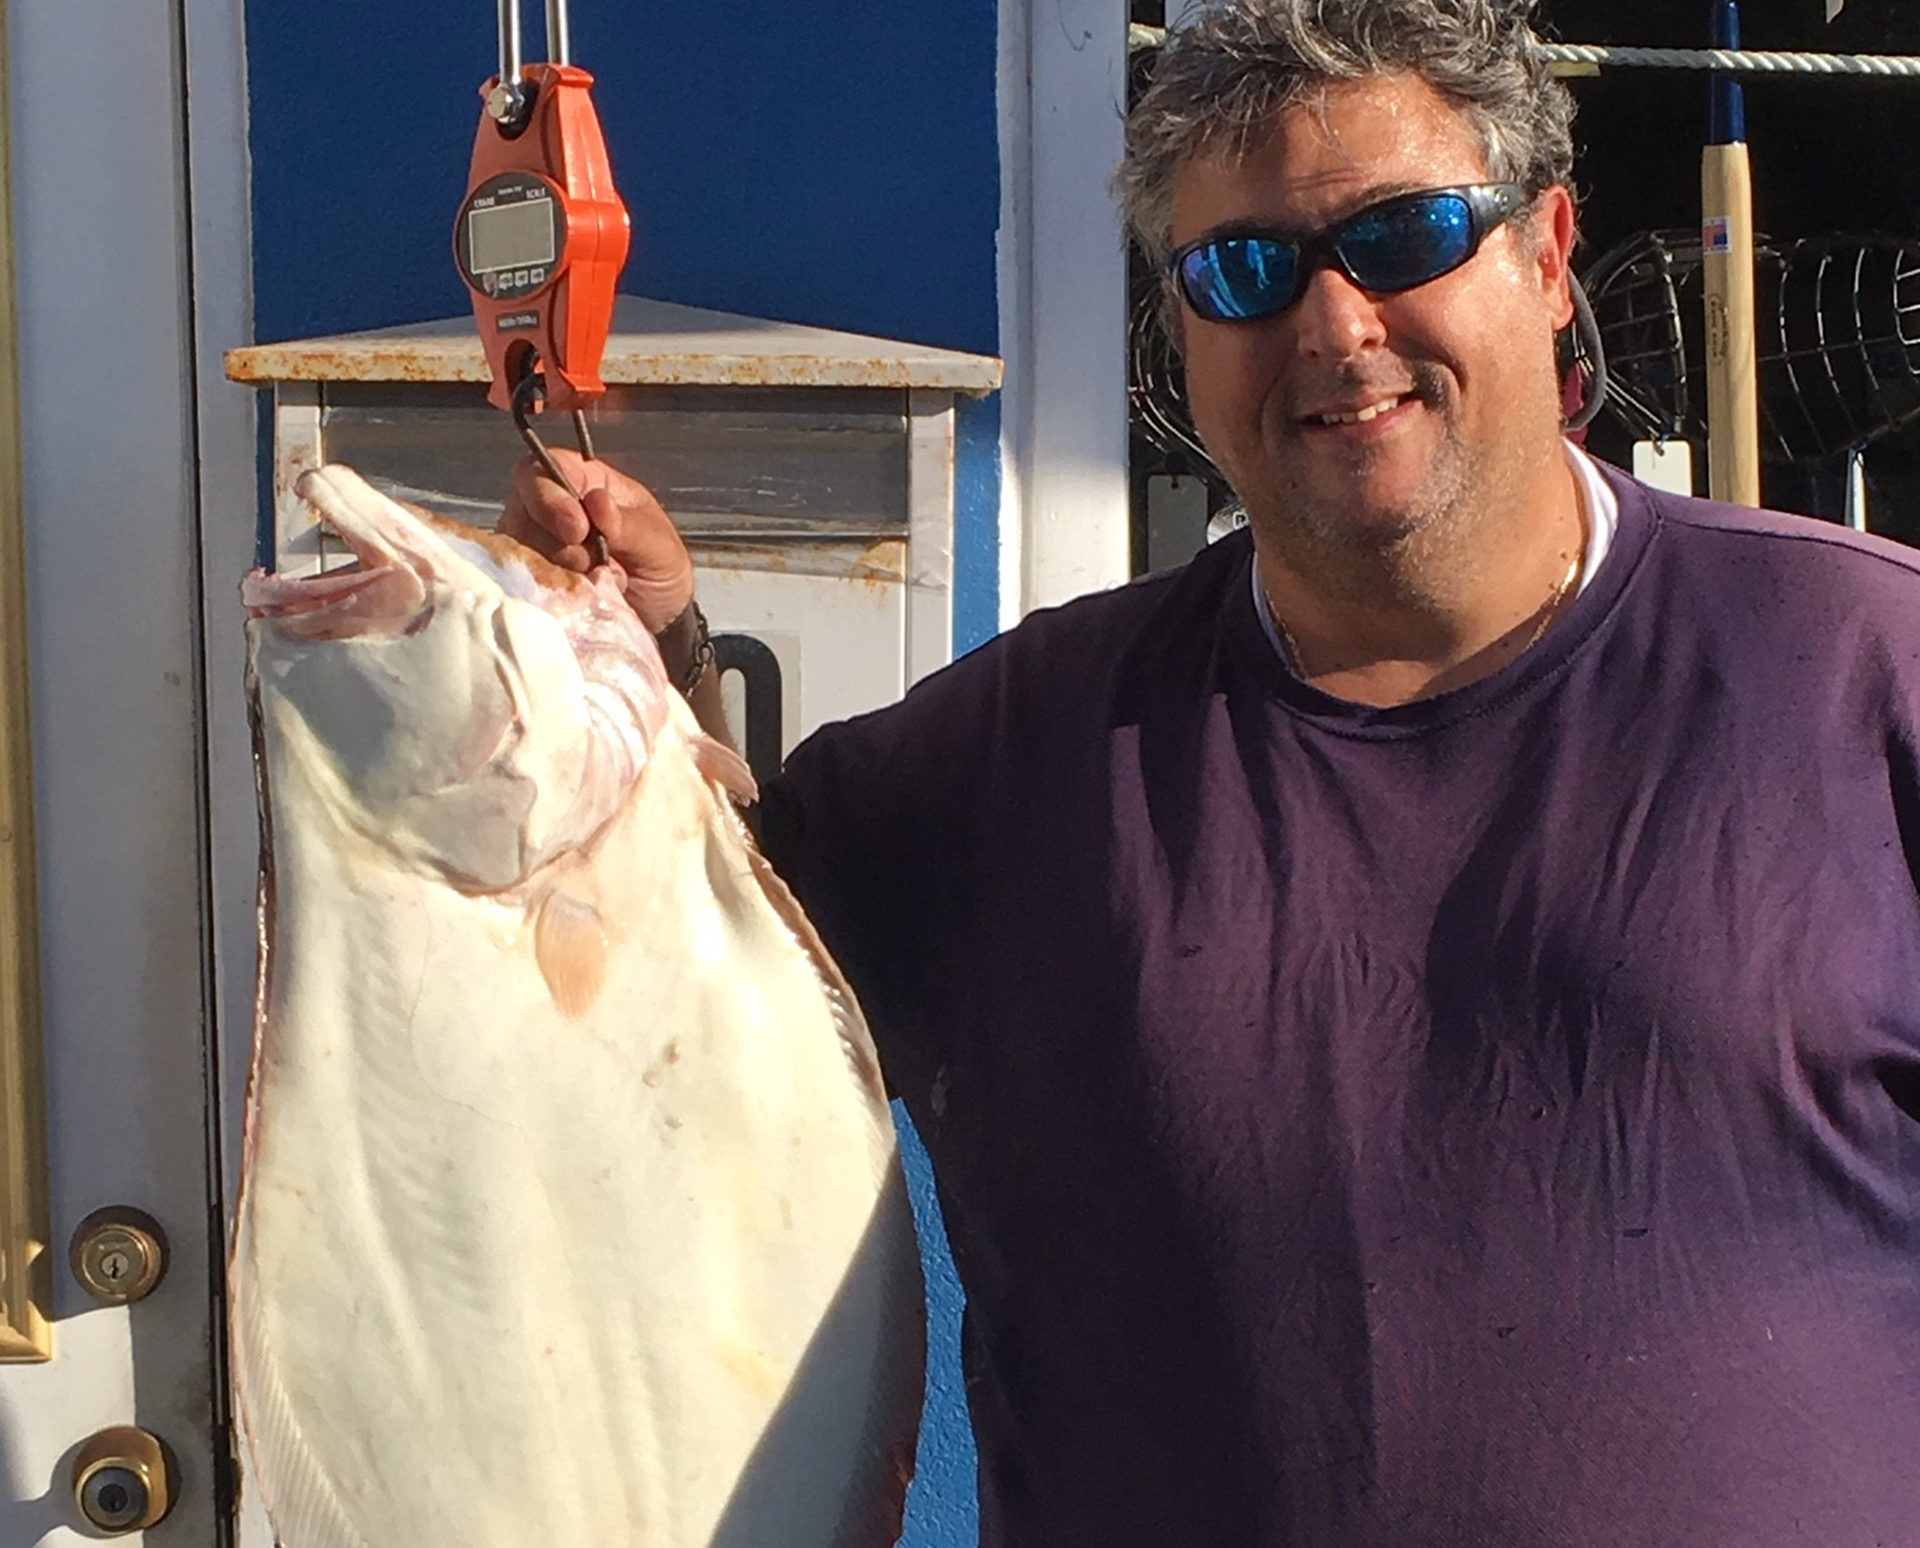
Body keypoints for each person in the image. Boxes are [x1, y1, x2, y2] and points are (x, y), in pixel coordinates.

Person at [502, 1, 1920, 1541]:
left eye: (1403, 235)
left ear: (1548, 251)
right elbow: (687, 988)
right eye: (1243, 270)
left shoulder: (1859, 671)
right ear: (1182, 328)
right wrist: (633, 654)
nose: (1332, 326)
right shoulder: (1019, 751)